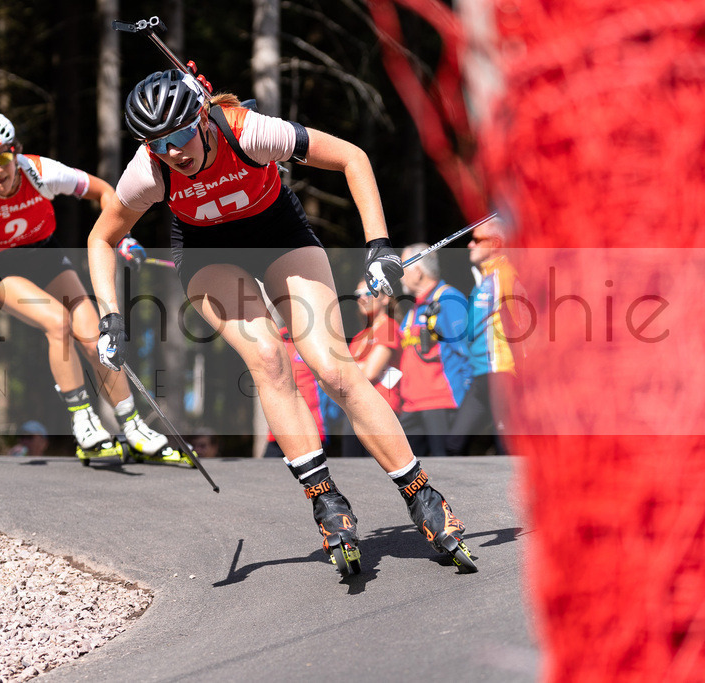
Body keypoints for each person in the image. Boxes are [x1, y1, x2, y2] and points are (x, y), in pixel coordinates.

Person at [87, 69, 477, 573]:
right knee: (269, 358)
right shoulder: (148, 172)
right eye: (158, 143)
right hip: (209, 255)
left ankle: (421, 495)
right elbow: (101, 239)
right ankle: (325, 499)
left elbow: (352, 158)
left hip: (279, 234)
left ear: (202, 117)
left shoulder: (248, 131)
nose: (175, 151)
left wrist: (378, 246)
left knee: (334, 369)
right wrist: (109, 316)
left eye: (181, 133)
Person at [0, 112, 187, 466]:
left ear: (15, 151)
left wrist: (121, 236)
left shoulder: (42, 171)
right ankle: (84, 423)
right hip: (0, 271)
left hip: (46, 257)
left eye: (1, 158)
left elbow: (103, 191)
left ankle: (135, 428)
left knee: (97, 338)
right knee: (58, 323)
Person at [446, 217, 522, 455]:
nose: (470, 245)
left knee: (507, 448)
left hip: (502, 373)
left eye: (477, 240)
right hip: (481, 376)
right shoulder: (483, 280)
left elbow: (524, 323)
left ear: (496, 243)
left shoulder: (505, 275)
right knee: (453, 444)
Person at [396, 244, 472, 457]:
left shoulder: (449, 299)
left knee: (449, 473)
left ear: (417, 271)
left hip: (442, 401)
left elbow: (466, 350)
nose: (400, 276)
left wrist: (466, 401)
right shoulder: (415, 307)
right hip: (411, 405)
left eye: (403, 268)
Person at [341, 279, 403, 458]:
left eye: (369, 293)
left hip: (381, 409)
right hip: (355, 409)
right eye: (358, 294)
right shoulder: (358, 337)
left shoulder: (389, 327)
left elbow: (370, 373)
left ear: (385, 298)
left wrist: (352, 369)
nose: (362, 298)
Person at [261, 326, 327, 458]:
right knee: (266, 472)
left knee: (314, 474)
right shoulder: (277, 336)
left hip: (312, 427)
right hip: (279, 427)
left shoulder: (315, 336)